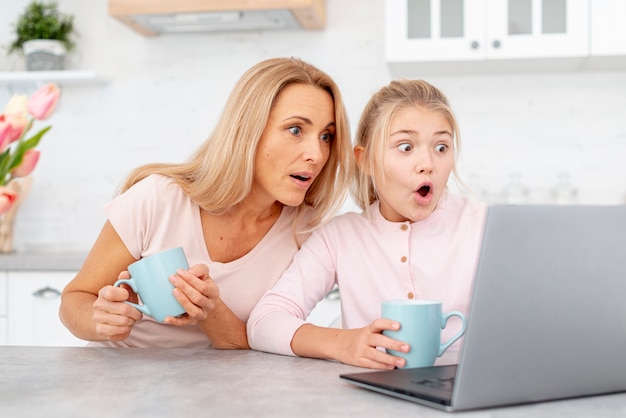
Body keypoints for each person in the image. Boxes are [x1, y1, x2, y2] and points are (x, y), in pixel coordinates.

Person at [59, 57, 353, 348]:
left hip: (212, 390)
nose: (316, 153)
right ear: (247, 130)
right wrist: (101, 320)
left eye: (326, 136)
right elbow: (74, 300)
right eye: (296, 130)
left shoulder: (305, 232)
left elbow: (263, 344)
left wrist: (208, 310)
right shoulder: (157, 198)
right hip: (115, 382)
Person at [247, 79, 487, 369]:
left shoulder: (483, 224)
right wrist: (341, 343)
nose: (428, 163)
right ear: (366, 161)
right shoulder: (339, 237)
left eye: (441, 147)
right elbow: (264, 321)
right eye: (406, 146)